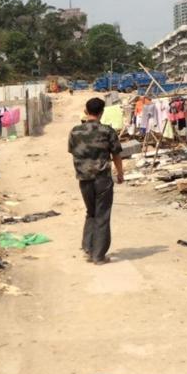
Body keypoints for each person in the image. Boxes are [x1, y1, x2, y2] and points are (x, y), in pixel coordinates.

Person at [68, 97, 124, 265]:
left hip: (84, 179)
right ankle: (98, 256)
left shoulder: (75, 131)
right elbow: (116, 154)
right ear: (102, 112)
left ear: (86, 111)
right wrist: (120, 173)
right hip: (102, 179)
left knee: (91, 212)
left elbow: (73, 152)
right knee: (102, 215)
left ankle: (88, 247)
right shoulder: (107, 131)